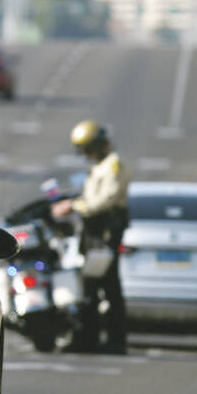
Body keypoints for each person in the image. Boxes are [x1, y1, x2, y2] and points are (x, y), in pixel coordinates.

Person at [51, 120, 131, 353]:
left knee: (103, 286)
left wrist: (74, 206)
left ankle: (111, 341)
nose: (86, 155)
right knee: (93, 285)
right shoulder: (101, 165)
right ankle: (91, 338)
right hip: (93, 231)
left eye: (88, 149)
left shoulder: (114, 166)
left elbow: (104, 200)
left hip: (105, 231)